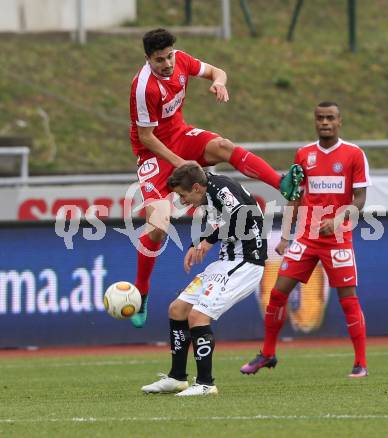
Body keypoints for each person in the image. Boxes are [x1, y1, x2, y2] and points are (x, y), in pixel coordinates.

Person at [129, 28, 300, 328]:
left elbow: (217, 71)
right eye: (159, 60)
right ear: (147, 59)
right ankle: (142, 291)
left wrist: (219, 84)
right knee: (158, 225)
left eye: (169, 56)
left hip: (180, 135)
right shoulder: (143, 88)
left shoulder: (181, 61)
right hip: (154, 154)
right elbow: (146, 137)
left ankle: (281, 181)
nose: (167, 64)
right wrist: (179, 162)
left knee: (224, 146)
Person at [240, 101, 371, 378]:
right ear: (315, 121)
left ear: (339, 121)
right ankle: (268, 353)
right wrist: (286, 236)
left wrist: (338, 219)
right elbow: (294, 198)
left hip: (337, 238)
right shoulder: (304, 154)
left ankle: (360, 363)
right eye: (320, 118)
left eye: (330, 118)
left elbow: (359, 200)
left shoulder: (353, 154)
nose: (325, 122)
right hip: (306, 238)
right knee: (277, 294)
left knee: (348, 298)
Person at [141, 163, 268, 396]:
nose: (182, 200)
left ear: (197, 187)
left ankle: (206, 384)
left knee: (198, 316)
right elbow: (221, 221)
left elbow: (241, 215)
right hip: (226, 260)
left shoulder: (221, 189)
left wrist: (208, 242)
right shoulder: (208, 191)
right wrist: (196, 244)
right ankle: (177, 378)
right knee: (177, 309)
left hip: (246, 262)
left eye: (183, 195)